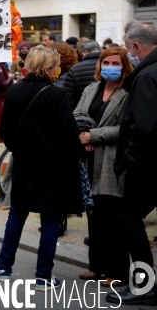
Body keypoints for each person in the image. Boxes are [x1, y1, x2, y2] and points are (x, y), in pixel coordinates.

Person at [0, 46, 84, 291]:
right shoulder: (56, 95)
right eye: (56, 65)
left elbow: (5, 132)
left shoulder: (14, 91)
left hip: (25, 164)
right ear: (48, 68)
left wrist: (21, 150)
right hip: (54, 166)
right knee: (50, 219)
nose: (59, 69)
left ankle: (4, 267)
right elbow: (70, 134)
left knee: (17, 214)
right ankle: (43, 277)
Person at [73, 47, 132, 288]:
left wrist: (93, 136)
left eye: (115, 62)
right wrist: (81, 134)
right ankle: (96, 266)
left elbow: (126, 128)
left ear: (124, 66)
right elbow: (76, 114)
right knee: (94, 215)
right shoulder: (91, 88)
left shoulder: (128, 92)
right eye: (106, 61)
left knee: (113, 218)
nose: (110, 66)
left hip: (112, 162)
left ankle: (117, 270)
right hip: (89, 161)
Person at [107, 24, 157, 306]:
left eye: (128, 49)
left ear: (136, 46)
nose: (128, 54)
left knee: (128, 216)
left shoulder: (147, 76)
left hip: (147, 165)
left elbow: (144, 127)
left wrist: (131, 161)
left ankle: (144, 285)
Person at [63, 40, 101, 109]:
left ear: (83, 54)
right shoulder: (107, 66)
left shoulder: (74, 69)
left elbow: (68, 98)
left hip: (82, 112)